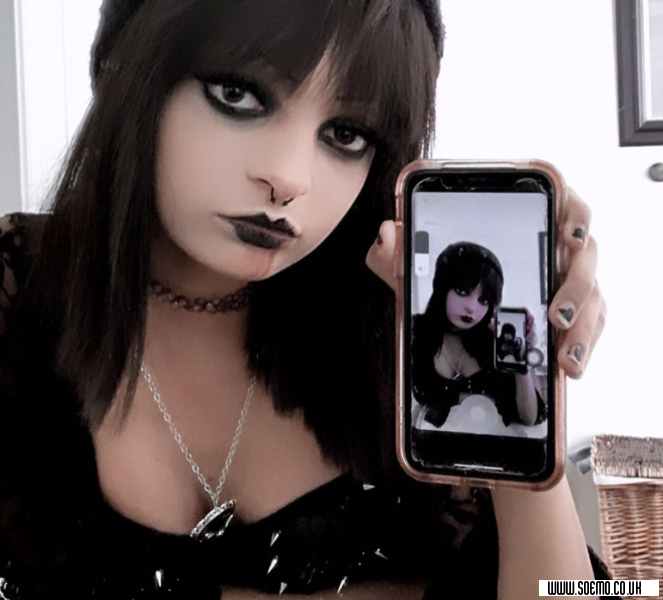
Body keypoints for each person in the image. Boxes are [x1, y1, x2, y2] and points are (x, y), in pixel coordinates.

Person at [0, 1, 611, 599]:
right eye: (238, 94)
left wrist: (532, 421)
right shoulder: (16, 292)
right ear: (124, 71)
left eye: (346, 134)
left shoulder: (401, 323)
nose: (290, 178)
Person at [412, 242, 543, 429]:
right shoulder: (415, 331)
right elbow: (418, 392)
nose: (471, 308)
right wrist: (470, 399)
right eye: (462, 292)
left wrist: (521, 364)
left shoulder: (492, 343)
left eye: (484, 300)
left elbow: (529, 417)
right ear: (442, 288)